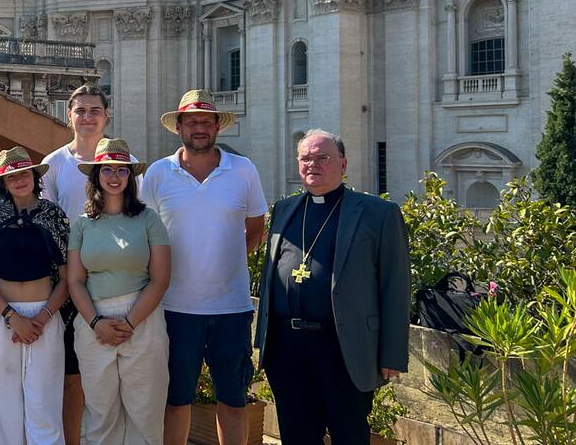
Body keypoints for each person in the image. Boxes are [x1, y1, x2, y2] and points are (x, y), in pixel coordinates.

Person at [255, 129, 411, 445]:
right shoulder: (285, 210)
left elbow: (395, 285)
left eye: (322, 157)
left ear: (343, 164)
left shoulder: (378, 213)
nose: (313, 164)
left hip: (343, 346)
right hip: (287, 346)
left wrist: (392, 354)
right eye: (306, 158)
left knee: (348, 434)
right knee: (296, 434)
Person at [142, 90, 268, 445]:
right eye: (192, 121)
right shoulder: (157, 174)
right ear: (179, 127)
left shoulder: (243, 170)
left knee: (233, 399)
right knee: (176, 399)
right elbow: (145, 231)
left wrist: (229, 260)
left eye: (206, 121)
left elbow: (257, 226)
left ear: (216, 128)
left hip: (232, 308)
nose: (199, 127)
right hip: (174, 308)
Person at [40, 84, 135, 443]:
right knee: (71, 376)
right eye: (80, 110)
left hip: (117, 282)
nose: (88, 116)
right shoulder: (52, 165)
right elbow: (48, 224)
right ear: (69, 115)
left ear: (107, 115)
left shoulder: (124, 161)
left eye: (95, 110)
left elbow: (135, 218)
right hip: (68, 284)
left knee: (119, 371)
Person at [66, 138, 170, 445]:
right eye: (106, 169)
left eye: (121, 170)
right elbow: (75, 281)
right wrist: (97, 323)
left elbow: (160, 278)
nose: (114, 177)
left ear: (130, 177)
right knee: (101, 415)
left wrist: (130, 322)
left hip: (143, 320)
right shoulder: (82, 225)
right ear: (95, 175)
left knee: (145, 413)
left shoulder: (149, 219)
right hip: (93, 322)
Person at [0, 146, 71, 445]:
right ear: (3, 183)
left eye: (24, 173)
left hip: (47, 314)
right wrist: (12, 317)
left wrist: (41, 319)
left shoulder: (54, 216)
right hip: (1, 317)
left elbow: (69, 277)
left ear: (34, 176)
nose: (19, 180)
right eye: (11, 176)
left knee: (44, 400)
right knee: (5, 402)